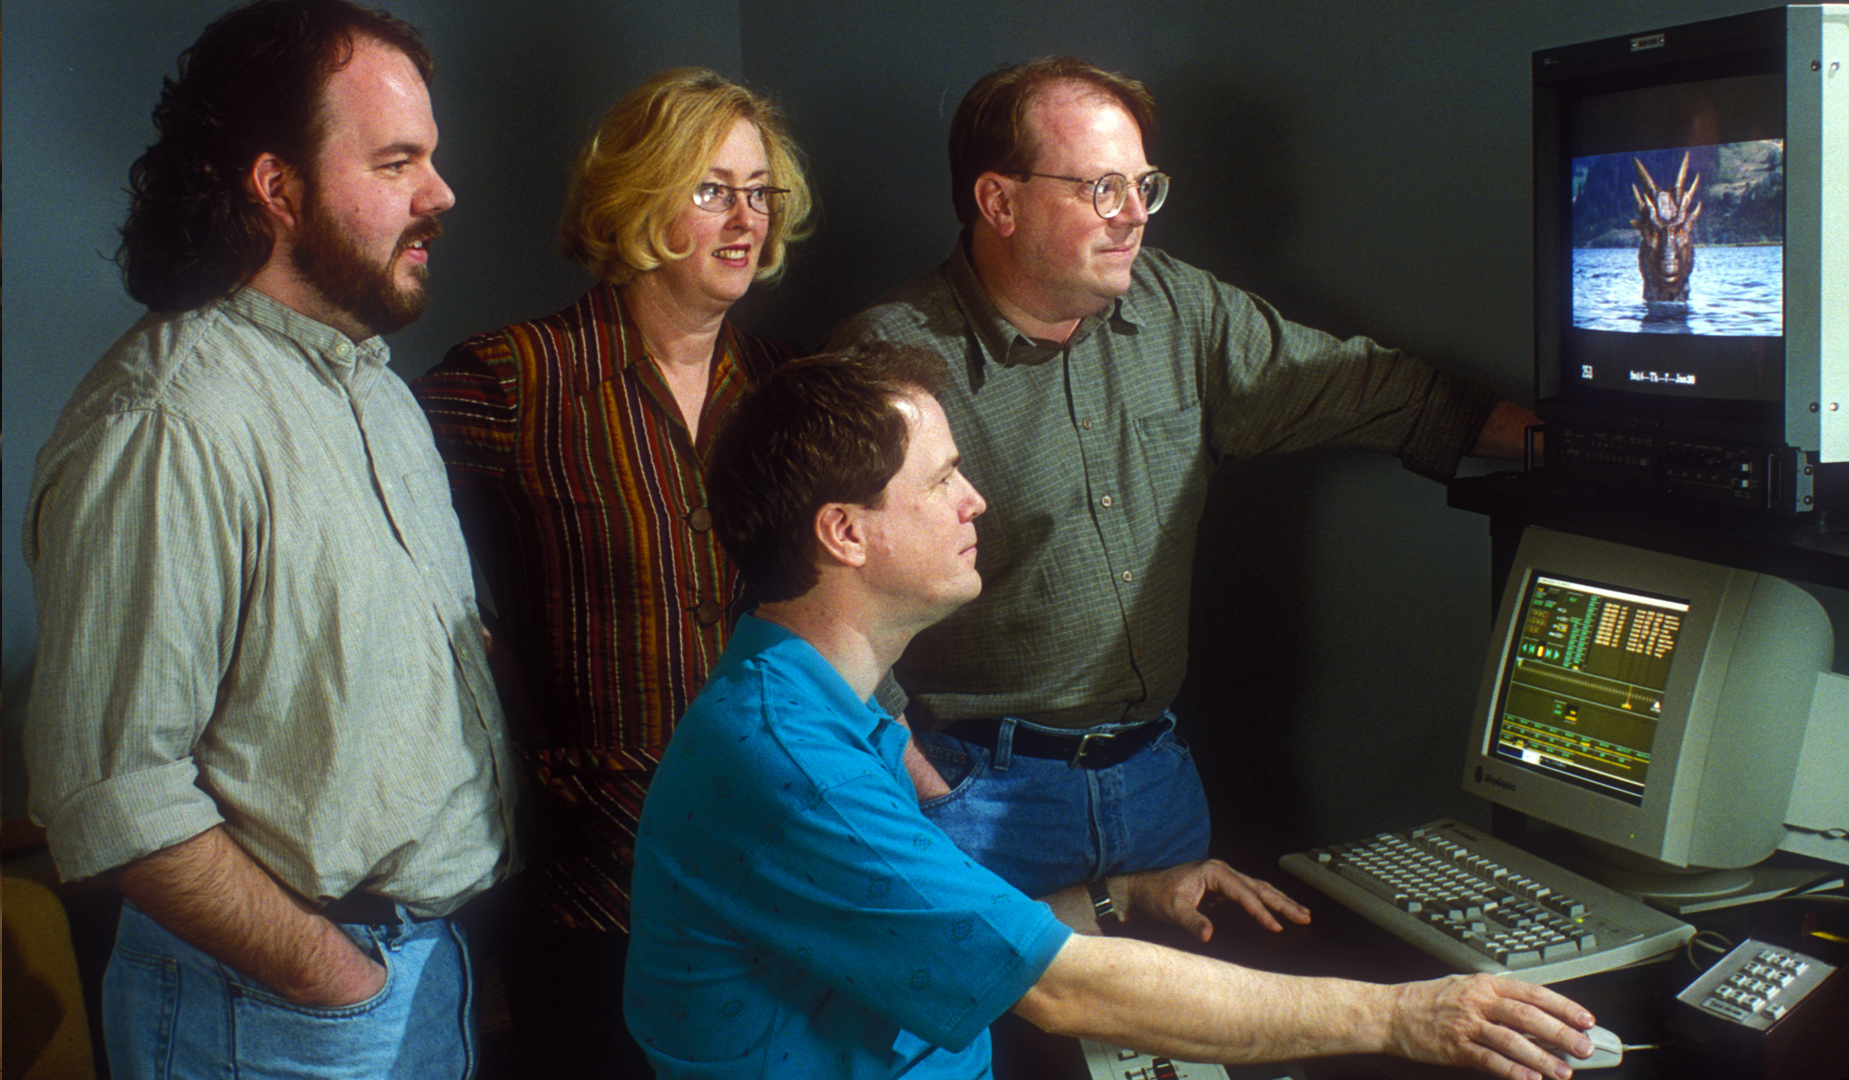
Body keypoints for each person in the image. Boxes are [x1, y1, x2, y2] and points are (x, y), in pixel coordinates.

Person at [624, 343, 1598, 1080]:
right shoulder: (788, 758)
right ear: (844, 533)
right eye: (941, 480)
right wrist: (1404, 1019)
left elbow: (948, 939)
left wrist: (1120, 899)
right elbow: (1055, 988)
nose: (976, 503)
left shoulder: (813, 706)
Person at [828, 56, 1539, 897]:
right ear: (999, 202)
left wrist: (1575, 442)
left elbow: (1364, 390)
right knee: (993, 1032)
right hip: (980, 801)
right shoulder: (888, 359)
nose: (1134, 217)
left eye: (1144, 186)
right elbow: (822, 602)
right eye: (1101, 188)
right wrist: (925, 786)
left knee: (1171, 1032)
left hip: (1158, 791)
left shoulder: (1178, 309)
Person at [20, 2, 513, 1078]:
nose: (441, 195)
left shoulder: (368, 386)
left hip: (418, 977)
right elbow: (111, 796)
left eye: (431, 159)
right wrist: (334, 981)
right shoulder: (169, 417)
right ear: (277, 188)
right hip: (277, 1016)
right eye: (397, 163)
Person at [410, 68, 814, 1075]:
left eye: (759, 190)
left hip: (779, 863)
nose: (745, 217)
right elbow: (379, 555)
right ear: (636, 198)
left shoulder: (787, 388)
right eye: (711, 188)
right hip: (598, 888)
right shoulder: (512, 379)